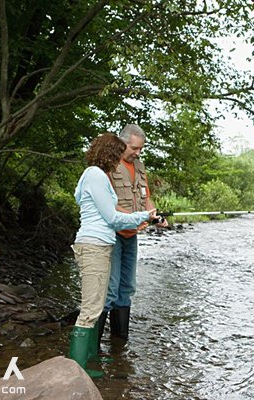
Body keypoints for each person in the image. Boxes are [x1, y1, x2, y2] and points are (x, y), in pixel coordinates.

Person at [69, 133, 157, 378]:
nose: (122, 158)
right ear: (110, 152)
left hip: (99, 243)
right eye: (119, 153)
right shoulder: (96, 175)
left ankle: (89, 358)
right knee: (91, 307)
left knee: (96, 304)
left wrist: (144, 214)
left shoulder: (93, 176)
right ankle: (78, 368)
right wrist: (143, 217)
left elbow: (81, 198)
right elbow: (112, 217)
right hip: (94, 245)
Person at [98, 124, 167, 343]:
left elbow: (146, 197)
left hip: (132, 235)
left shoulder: (139, 166)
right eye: (134, 148)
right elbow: (107, 205)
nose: (137, 153)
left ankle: (120, 344)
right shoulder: (107, 165)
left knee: (126, 288)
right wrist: (137, 217)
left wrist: (153, 214)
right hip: (112, 234)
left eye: (140, 149)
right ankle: (94, 349)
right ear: (123, 142)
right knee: (110, 289)